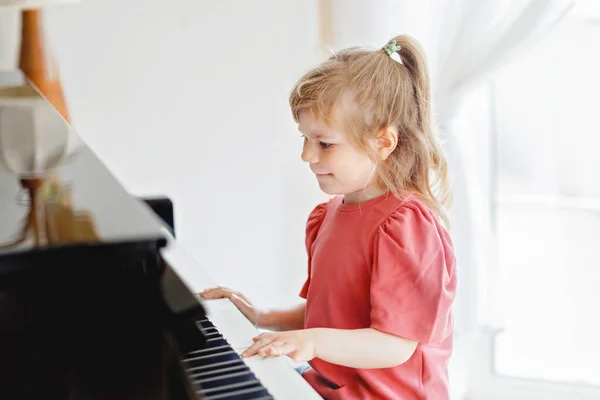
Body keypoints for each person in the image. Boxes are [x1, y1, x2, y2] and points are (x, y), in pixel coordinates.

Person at [200, 34, 457, 400]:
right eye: (304, 139)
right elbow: (331, 315)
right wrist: (261, 316)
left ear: (383, 143)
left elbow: (395, 345)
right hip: (329, 388)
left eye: (324, 143)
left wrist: (312, 342)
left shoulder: (407, 226)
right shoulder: (329, 215)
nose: (307, 155)